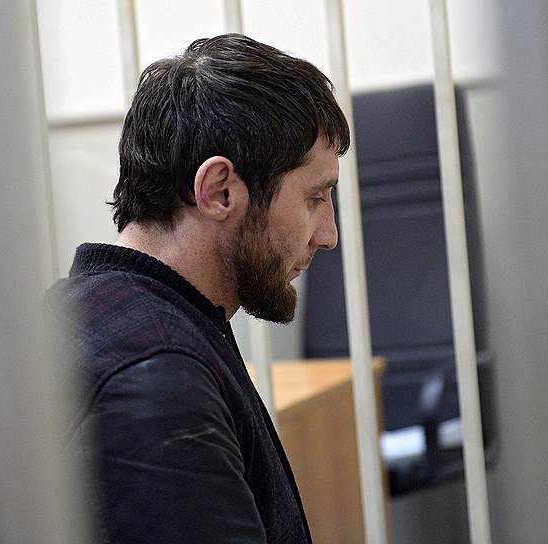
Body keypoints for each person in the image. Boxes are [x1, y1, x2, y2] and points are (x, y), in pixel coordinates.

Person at [54, 33, 349, 543]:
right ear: (219, 191)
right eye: (314, 198)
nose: (328, 236)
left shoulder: (79, 316)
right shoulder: (155, 379)